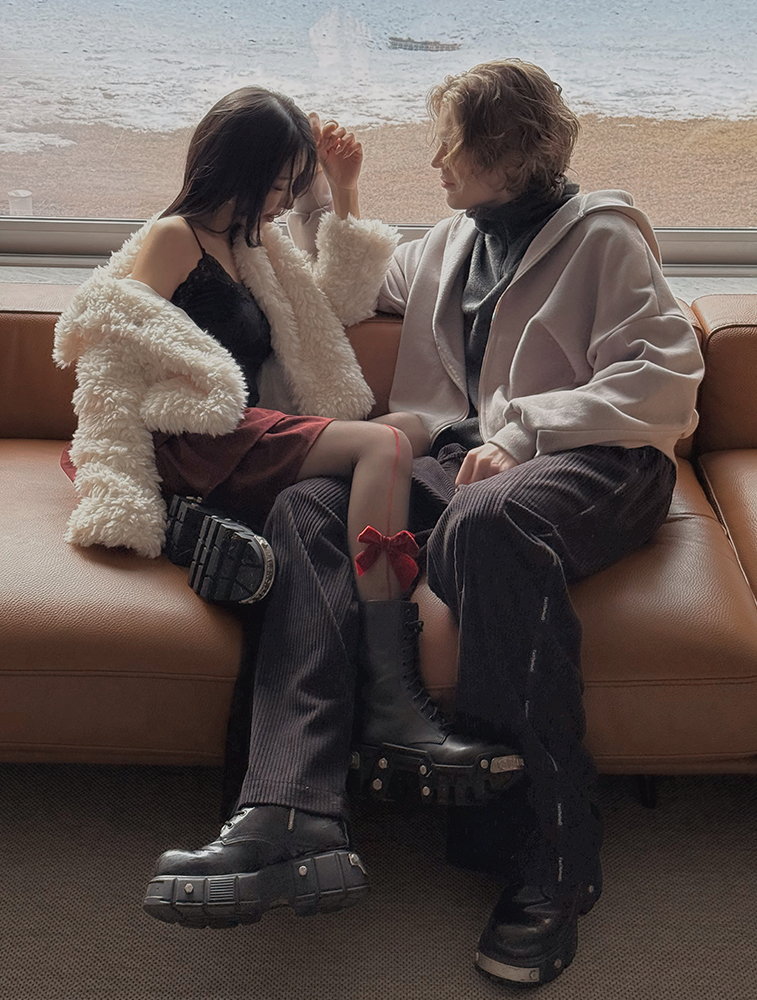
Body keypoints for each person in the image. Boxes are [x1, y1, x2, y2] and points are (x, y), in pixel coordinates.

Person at [168, 60, 699, 984]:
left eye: (449, 145)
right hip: (457, 460)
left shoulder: (605, 238)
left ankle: (553, 854)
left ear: (504, 154)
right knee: (306, 505)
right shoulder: (450, 241)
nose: (435, 161)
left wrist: (523, 431)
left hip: (596, 459)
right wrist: (324, 191)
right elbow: (349, 283)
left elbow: (664, 376)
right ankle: (290, 805)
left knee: (485, 524)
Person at [54, 87, 513, 925]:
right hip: (195, 432)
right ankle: (390, 687)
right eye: (276, 181)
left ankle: (295, 784)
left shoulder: (253, 245)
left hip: (242, 430)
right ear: (235, 166)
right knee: (382, 447)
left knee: (410, 429)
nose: (281, 198)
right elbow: (112, 352)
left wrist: (343, 193)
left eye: (291, 184)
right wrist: (123, 481)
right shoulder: (173, 238)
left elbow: (331, 306)